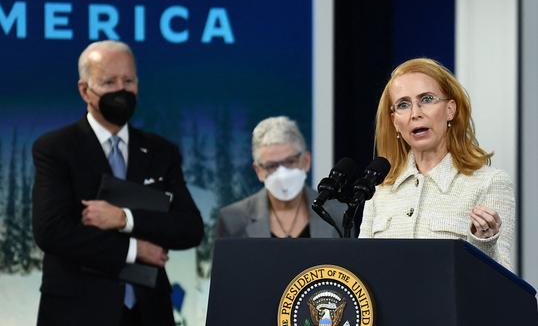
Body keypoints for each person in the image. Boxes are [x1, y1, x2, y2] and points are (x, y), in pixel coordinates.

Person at [32, 40, 204, 326]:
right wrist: (136, 251)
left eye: (128, 80)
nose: (121, 90)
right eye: (109, 82)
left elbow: (190, 228)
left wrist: (124, 219)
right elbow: (52, 231)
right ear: (85, 90)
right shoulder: (55, 148)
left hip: (149, 312)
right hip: (78, 311)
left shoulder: (162, 151)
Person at [359, 58, 515, 270]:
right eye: (403, 105)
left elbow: (502, 283)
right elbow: (362, 271)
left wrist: (484, 242)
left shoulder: (489, 183)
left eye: (427, 99)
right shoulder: (379, 190)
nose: (415, 113)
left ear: (450, 110)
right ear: (395, 122)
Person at [215, 116, 343, 239]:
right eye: (272, 166)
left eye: (290, 161)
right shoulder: (232, 219)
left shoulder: (338, 213)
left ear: (306, 161)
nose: (282, 173)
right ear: (258, 170)